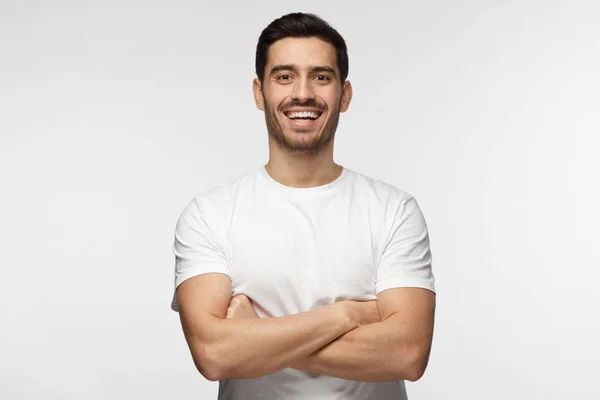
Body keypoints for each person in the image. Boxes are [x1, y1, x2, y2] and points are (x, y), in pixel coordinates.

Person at [171, 12, 436, 400]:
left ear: (344, 95)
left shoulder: (393, 210)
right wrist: (346, 316)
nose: (303, 93)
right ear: (259, 93)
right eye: (284, 76)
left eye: (321, 76)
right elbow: (215, 354)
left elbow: (408, 354)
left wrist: (258, 337)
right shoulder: (209, 214)